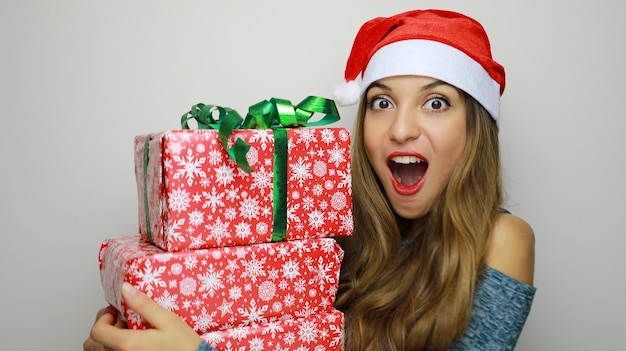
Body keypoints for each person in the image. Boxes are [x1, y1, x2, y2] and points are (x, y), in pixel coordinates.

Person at [85, 9, 535, 351]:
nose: (400, 129)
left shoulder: (501, 239)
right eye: (381, 103)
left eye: (435, 103)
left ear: (475, 128)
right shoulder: (325, 226)